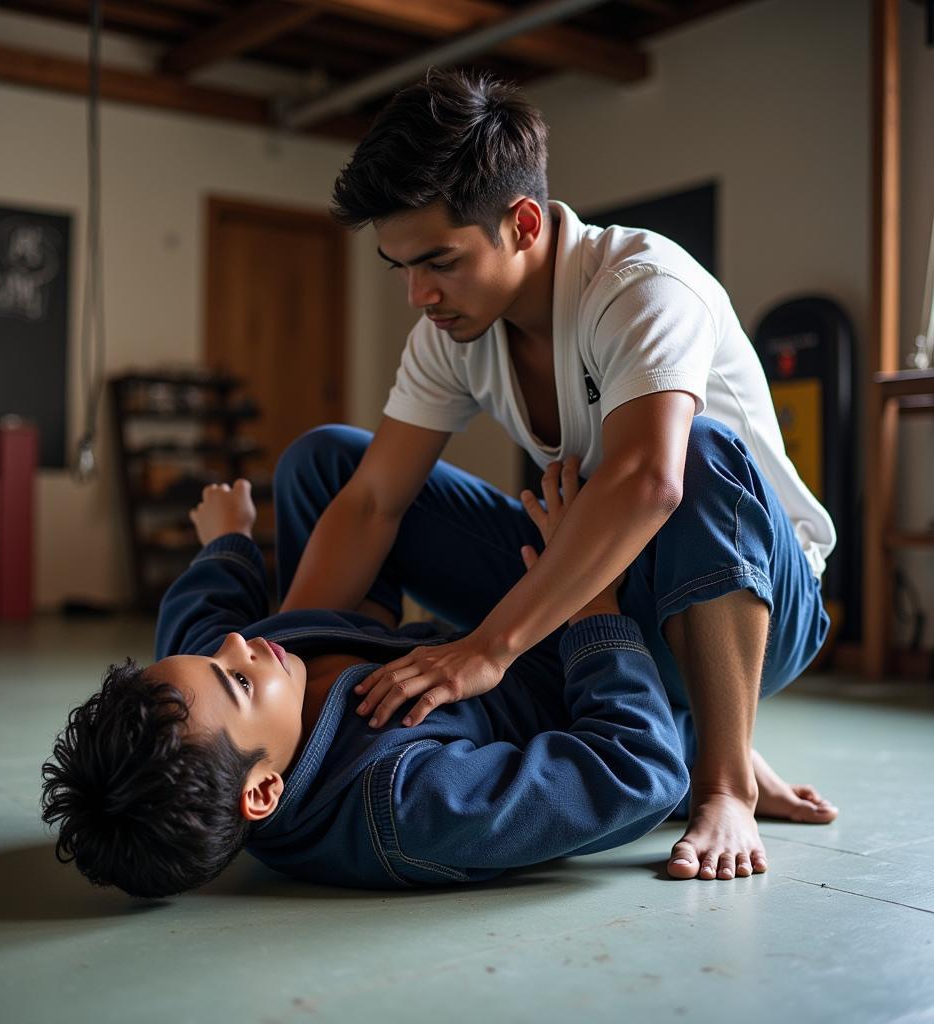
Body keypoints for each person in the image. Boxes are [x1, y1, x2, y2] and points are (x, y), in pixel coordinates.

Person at [281, 68, 839, 883]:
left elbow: (651, 480)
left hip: (757, 600)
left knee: (701, 451)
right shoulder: (452, 330)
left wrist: (486, 648)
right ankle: (339, 708)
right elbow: (372, 500)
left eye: (438, 261)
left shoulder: (642, 285)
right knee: (329, 463)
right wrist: (280, 668)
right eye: (399, 267)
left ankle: (723, 784)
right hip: (609, 579)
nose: (417, 294)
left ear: (524, 223)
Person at [41, 467, 690, 898]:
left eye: (216, 657)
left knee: (322, 464)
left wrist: (226, 539)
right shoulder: (408, 807)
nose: (240, 645)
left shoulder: (211, 719)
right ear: (263, 792)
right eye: (237, 679)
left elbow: (198, 619)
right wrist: (590, 601)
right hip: (607, 677)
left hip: (482, 636)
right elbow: (638, 768)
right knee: (697, 461)